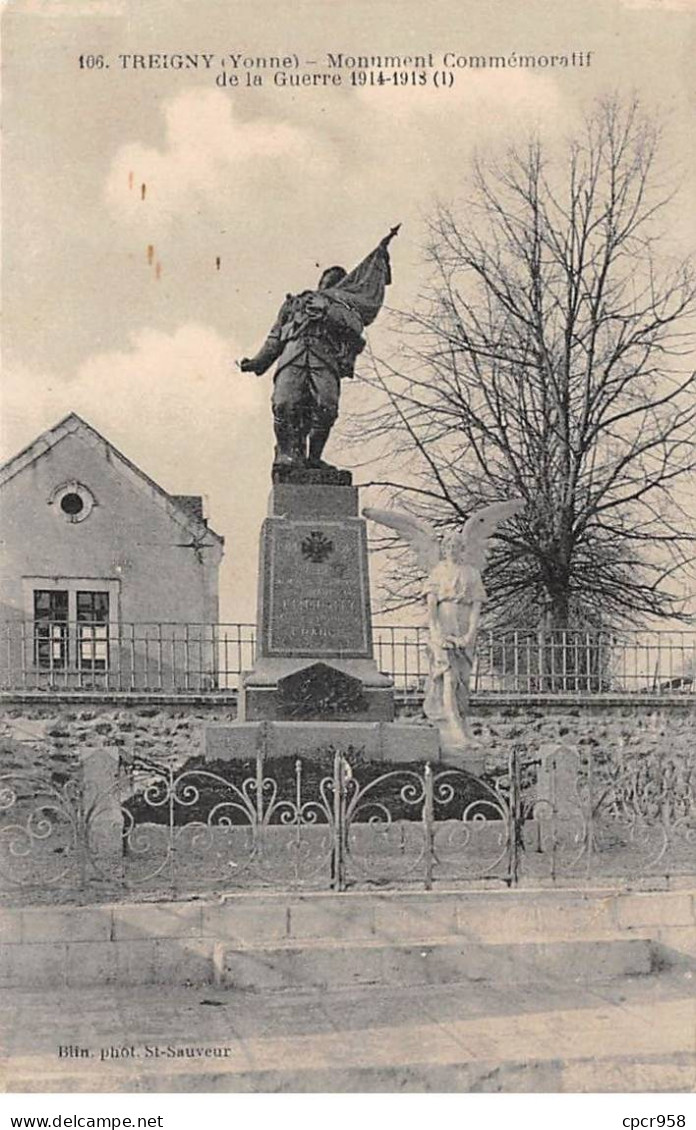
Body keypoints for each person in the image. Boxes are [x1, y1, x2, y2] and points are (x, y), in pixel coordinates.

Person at [240, 227, 399, 472]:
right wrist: (257, 362)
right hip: (292, 357)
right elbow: (275, 337)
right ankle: (287, 456)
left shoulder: (344, 306)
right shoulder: (295, 303)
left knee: (326, 407)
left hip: (323, 360)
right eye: (325, 279)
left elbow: (355, 328)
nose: (328, 282)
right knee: (283, 404)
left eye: (335, 280)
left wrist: (328, 311)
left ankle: (314, 457)